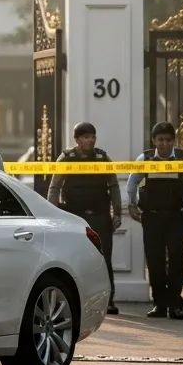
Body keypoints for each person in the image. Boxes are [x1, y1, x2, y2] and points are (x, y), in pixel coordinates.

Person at [127, 121, 183, 320]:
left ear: (173, 141)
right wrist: (132, 204)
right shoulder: (145, 158)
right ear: (154, 141)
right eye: (160, 140)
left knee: (176, 260)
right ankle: (160, 305)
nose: (164, 144)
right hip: (151, 217)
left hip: (176, 217)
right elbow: (132, 182)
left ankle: (175, 306)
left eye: (168, 140)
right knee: (155, 261)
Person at [47, 121, 122, 315]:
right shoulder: (66, 158)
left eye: (93, 137)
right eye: (86, 137)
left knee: (104, 260)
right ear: (77, 140)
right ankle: (77, 301)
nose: (90, 140)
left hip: (100, 217)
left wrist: (117, 213)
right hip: (74, 218)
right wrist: (53, 214)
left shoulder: (103, 158)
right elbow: (55, 187)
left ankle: (109, 301)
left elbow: (113, 186)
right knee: (74, 260)